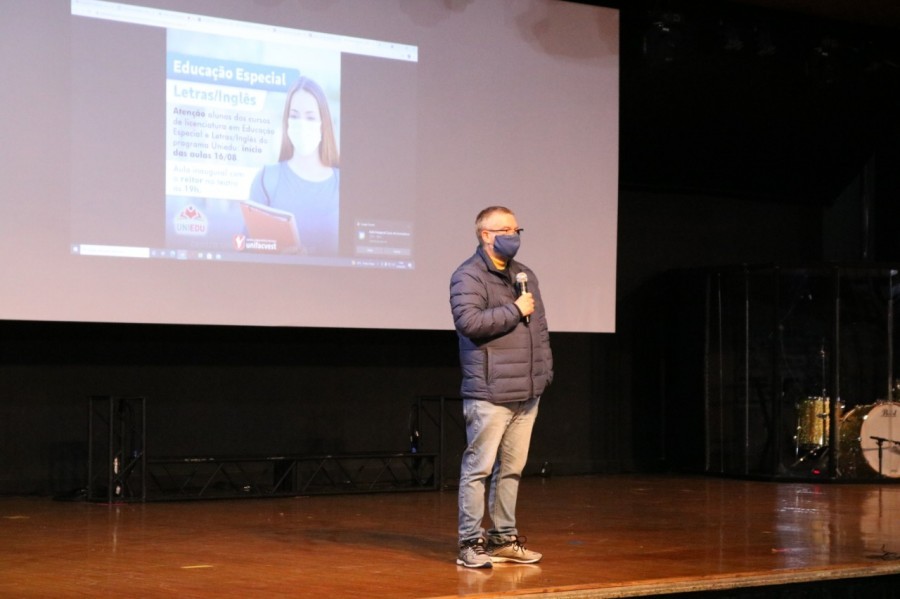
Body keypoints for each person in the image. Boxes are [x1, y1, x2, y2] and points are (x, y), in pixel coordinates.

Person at [449, 206, 553, 569]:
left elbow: (539, 329)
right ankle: (469, 543)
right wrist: (514, 309)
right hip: (490, 392)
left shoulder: (525, 275)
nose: (513, 236)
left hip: (527, 390)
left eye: (516, 230)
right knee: (478, 470)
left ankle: (503, 539)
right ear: (485, 235)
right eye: (505, 230)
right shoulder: (468, 276)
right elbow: (469, 323)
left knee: (511, 469)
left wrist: (544, 372)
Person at [247, 76, 340, 255]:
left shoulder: (343, 184)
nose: (302, 124)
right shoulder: (267, 179)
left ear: (323, 124)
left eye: (310, 117)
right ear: (287, 121)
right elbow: (245, 249)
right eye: (295, 116)